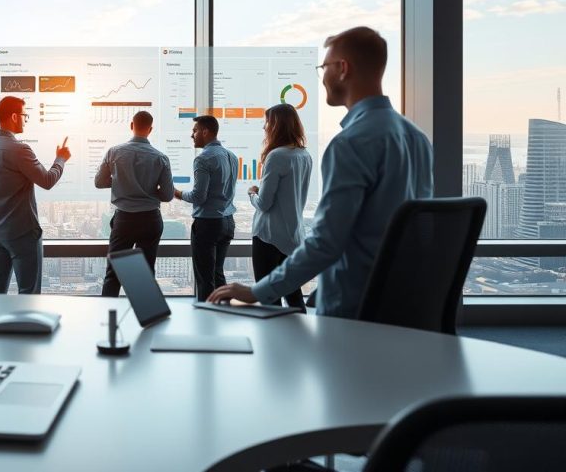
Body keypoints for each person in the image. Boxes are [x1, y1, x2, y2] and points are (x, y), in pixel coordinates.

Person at [208, 26, 434, 318]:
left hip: (352, 310)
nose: (322, 76)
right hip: (401, 303)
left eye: (323, 67)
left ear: (342, 68)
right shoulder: (417, 138)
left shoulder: (351, 142)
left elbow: (327, 242)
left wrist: (256, 292)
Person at [0, 96, 71, 294]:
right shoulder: (20, 150)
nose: (26, 119)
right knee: (29, 293)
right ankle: (26, 326)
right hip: (23, 234)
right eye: (24, 115)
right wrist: (60, 159)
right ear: (13, 117)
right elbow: (47, 180)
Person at [94, 110, 174, 297]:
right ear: (150, 129)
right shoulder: (161, 158)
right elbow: (168, 195)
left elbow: (98, 182)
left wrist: (120, 182)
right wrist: (149, 189)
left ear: (132, 126)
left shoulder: (114, 152)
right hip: (150, 219)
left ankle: (108, 319)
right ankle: (148, 319)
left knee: (113, 274)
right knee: (146, 274)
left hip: (125, 220)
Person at [248, 103, 313, 312]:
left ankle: (273, 343)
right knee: (294, 297)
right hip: (292, 235)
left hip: (268, 236)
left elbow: (264, 204)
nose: (264, 127)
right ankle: (301, 341)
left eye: (267, 122)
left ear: (276, 125)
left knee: (269, 300)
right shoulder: (305, 156)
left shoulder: (276, 156)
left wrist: (252, 194)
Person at [173, 115, 239, 302]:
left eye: (194, 131)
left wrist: (176, 193)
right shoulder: (231, 156)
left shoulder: (203, 159)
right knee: (217, 274)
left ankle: (206, 319)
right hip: (227, 222)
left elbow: (198, 197)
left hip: (208, 224)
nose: (191, 135)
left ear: (205, 131)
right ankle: (223, 315)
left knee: (204, 279)